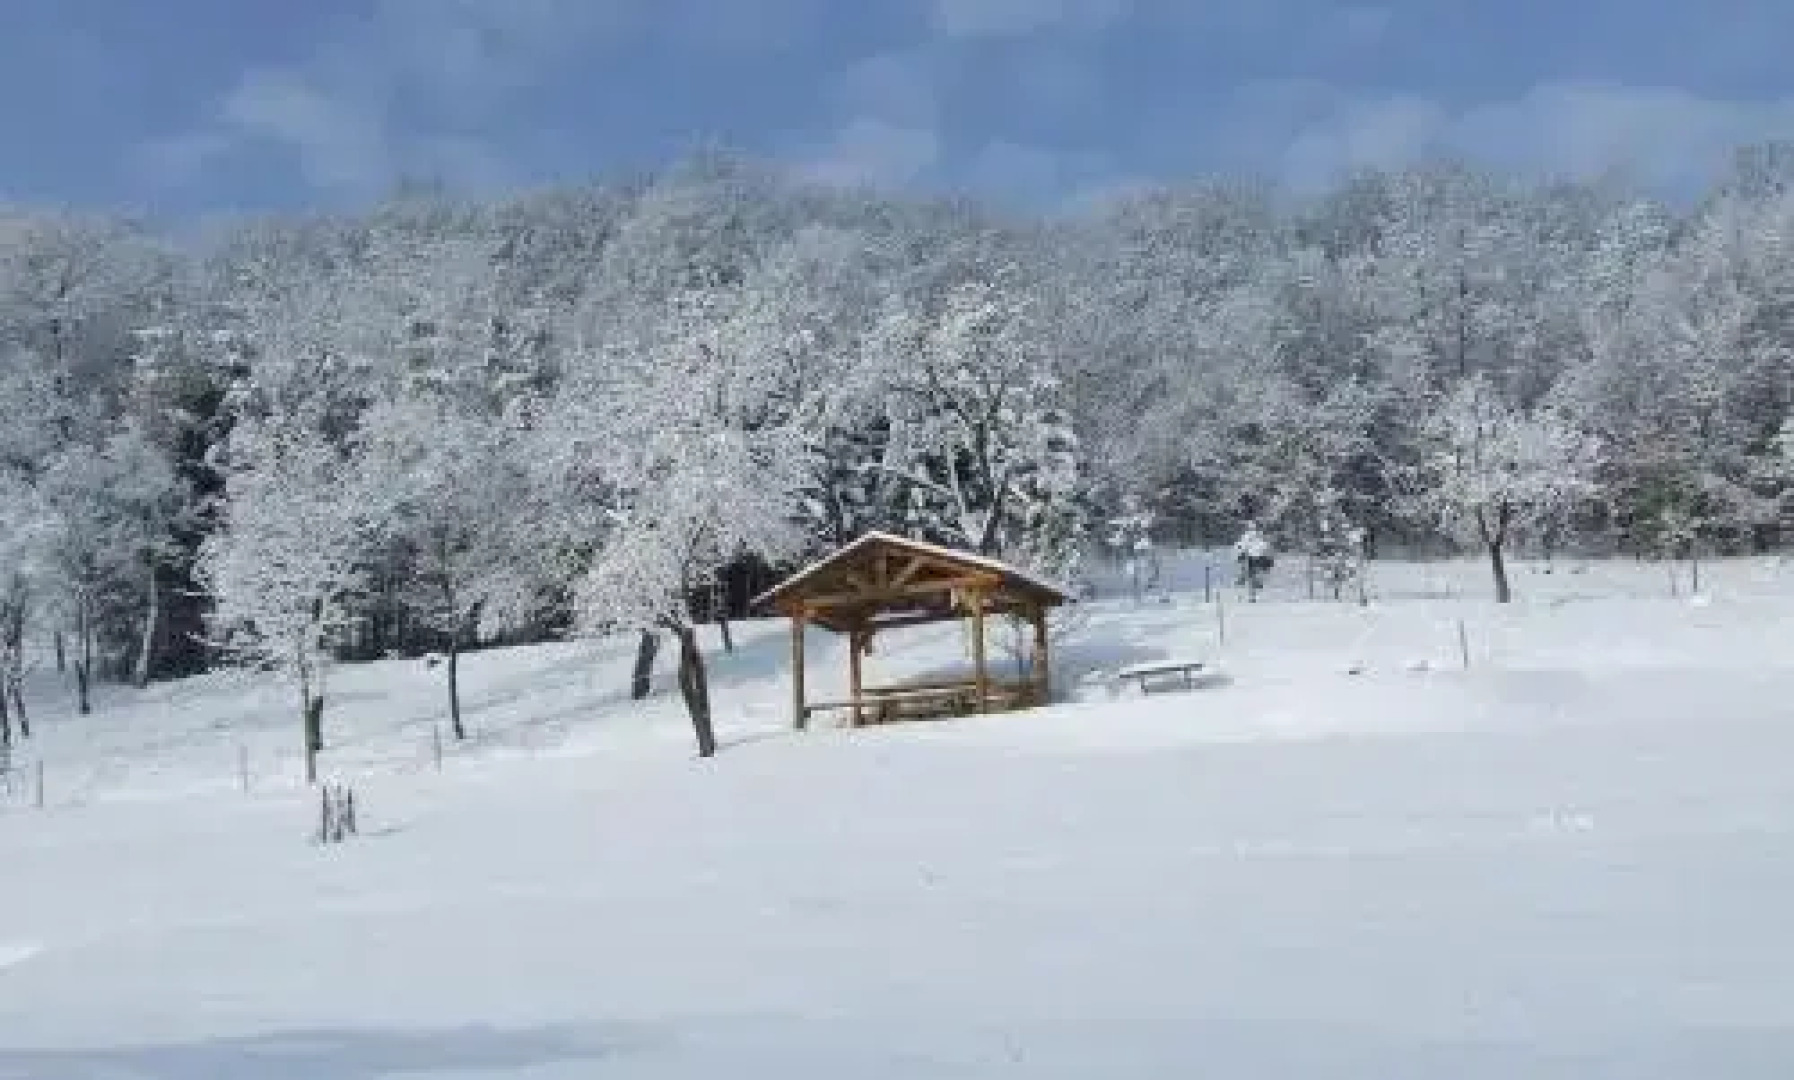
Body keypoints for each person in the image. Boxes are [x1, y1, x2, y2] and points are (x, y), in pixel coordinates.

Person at [1234, 522, 1274, 601]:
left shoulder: (1248, 537)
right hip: (1258, 558)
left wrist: (1240, 554)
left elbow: (1241, 547)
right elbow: (1266, 547)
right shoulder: (1259, 536)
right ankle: (1253, 588)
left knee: (1251, 575)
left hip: (1253, 558)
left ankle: (1251, 588)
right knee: (1254, 574)